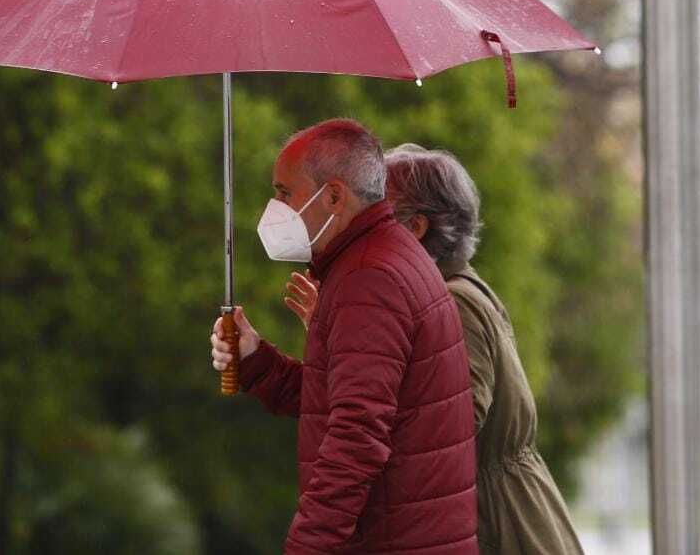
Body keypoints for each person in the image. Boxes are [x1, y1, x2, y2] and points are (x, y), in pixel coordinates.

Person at [284, 144, 584, 555]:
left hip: (498, 528)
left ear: (415, 228)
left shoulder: (452, 304)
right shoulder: (443, 294)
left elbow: (449, 425)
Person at [209, 120, 477, 555]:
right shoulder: (378, 259)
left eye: (283, 192)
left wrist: (307, 546)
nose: (274, 207)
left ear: (333, 196)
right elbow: (335, 399)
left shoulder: (369, 278)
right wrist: (255, 358)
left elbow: (357, 432)